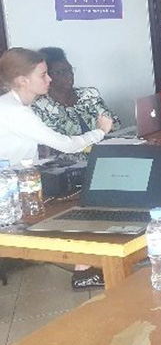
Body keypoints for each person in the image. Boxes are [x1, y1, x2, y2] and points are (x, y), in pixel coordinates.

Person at [0, 48, 113, 289]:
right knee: (80, 199)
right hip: (10, 191)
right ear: (22, 80)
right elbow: (66, 144)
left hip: (18, 181)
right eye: (43, 75)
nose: (49, 79)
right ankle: (83, 270)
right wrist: (100, 131)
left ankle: (86, 264)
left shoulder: (13, 105)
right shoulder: (15, 112)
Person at [31, 47, 121, 147]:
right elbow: (54, 145)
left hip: (103, 155)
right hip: (66, 161)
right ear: (46, 76)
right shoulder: (40, 107)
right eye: (60, 72)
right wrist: (101, 130)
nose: (69, 75)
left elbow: (114, 125)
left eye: (69, 70)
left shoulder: (89, 95)